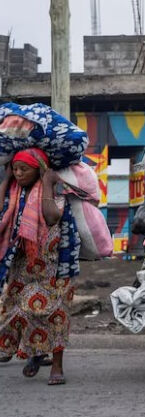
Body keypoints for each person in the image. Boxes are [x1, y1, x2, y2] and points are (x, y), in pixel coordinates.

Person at [0, 148, 80, 385]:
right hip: (21, 267)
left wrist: (47, 182)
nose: (18, 173)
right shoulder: (14, 194)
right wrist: (6, 180)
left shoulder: (56, 192)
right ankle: (35, 353)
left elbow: (52, 216)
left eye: (23, 168)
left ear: (39, 170)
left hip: (55, 269)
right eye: (15, 169)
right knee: (20, 311)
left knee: (55, 315)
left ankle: (57, 366)